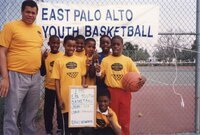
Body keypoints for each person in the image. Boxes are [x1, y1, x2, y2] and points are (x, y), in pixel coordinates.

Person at [0, 0, 43, 135]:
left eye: (33, 13)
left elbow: (35, 49)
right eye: (28, 12)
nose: (31, 15)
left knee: (31, 113)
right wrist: (5, 77)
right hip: (15, 75)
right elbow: (2, 52)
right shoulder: (10, 26)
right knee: (12, 112)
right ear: (22, 12)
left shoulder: (38, 29)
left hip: (35, 77)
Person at [96, 35, 146, 135]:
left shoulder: (127, 60)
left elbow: (137, 75)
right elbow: (101, 77)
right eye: (113, 44)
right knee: (111, 117)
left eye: (118, 44)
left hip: (124, 92)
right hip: (110, 92)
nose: (116, 47)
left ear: (122, 46)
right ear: (111, 46)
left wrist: (143, 78)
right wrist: (98, 73)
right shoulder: (106, 60)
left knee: (124, 119)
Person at [51, 35, 86, 135]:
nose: (71, 48)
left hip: (77, 99)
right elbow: (56, 81)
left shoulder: (79, 60)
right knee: (66, 126)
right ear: (64, 45)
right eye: (69, 46)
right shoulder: (59, 61)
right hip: (65, 98)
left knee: (76, 125)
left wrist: (83, 86)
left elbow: (83, 76)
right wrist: (60, 99)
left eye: (73, 46)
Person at [40, 35, 64, 135]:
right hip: (49, 87)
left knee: (60, 109)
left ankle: (60, 128)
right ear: (49, 44)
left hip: (61, 88)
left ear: (60, 44)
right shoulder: (46, 56)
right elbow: (42, 73)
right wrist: (42, 59)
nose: (55, 45)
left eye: (57, 43)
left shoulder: (63, 56)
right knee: (48, 110)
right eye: (53, 43)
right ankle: (48, 129)